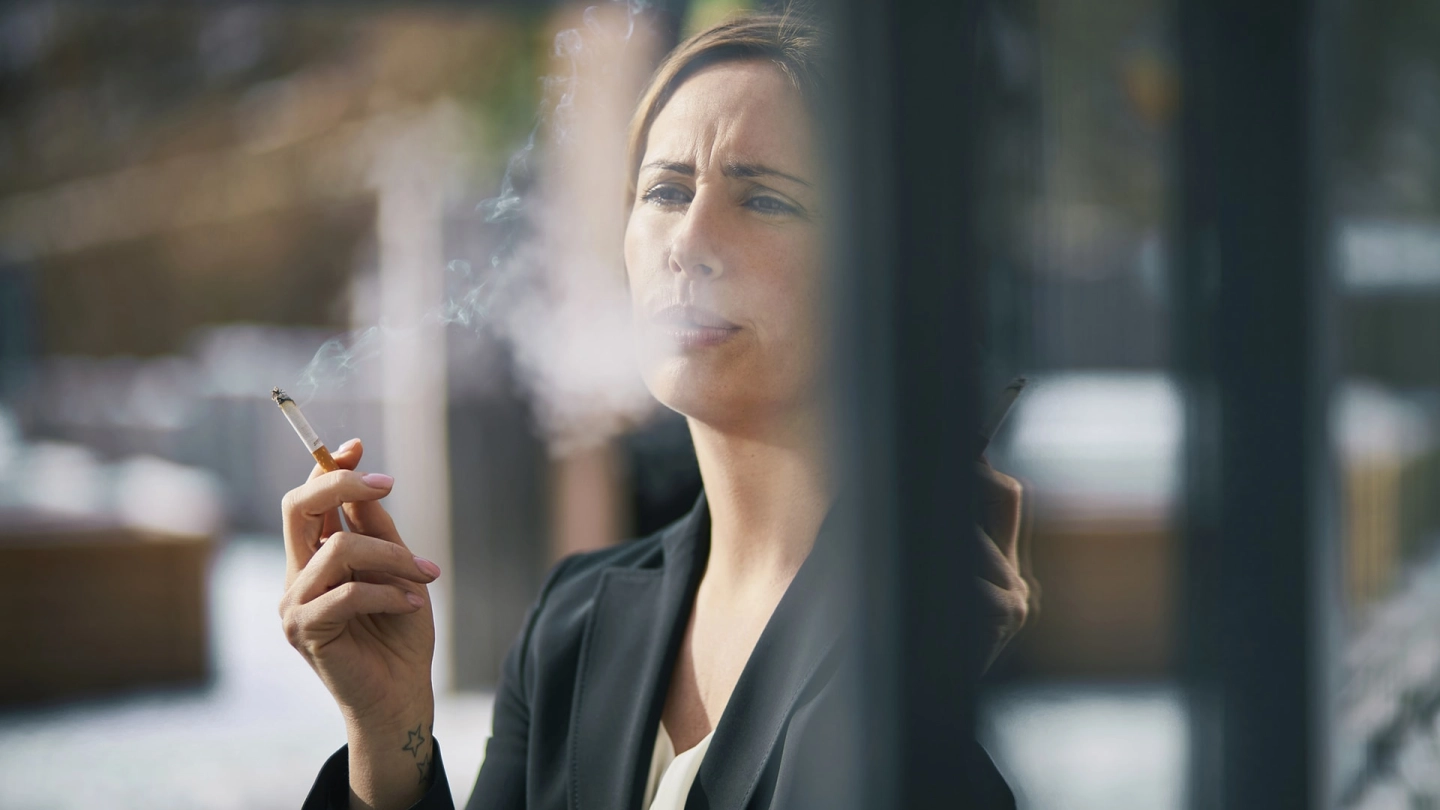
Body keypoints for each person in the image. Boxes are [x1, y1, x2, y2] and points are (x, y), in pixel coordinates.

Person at [280, 12, 1030, 810]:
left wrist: (919, 724)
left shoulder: (930, 620)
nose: (688, 239)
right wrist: (388, 732)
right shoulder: (575, 621)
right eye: (666, 191)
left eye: (767, 201)